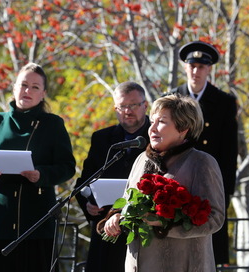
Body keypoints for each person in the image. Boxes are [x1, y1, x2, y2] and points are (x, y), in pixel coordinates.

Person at [0, 62, 76, 272]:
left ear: (43, 94)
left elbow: (67, 167)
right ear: (14, 87)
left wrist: (40, 175)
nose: (27, 91)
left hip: (37, 221)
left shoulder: (53, 124)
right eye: (23, 84)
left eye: (35, 87)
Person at [104, 94, 225, 272]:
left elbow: (214, 218)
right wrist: (116, 217)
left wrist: (162, 221)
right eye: (151, 121)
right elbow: (126, 202)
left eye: (161, 121)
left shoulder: (201, 162)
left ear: (183, 128)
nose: (152, 128)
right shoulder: (141, 159)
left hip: (183, 265)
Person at [170, 40, 238, 265]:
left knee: (209, 249)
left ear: (209, 69)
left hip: (209, 179)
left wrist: (225, 191)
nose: (196, 71)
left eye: (201, 67)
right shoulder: (172, 98)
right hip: (177, 179)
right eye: (192, 66)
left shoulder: (224, 102)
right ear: (185, 67)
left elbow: (229, 152)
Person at [75, 81, 150, 272]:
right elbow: (84, 181)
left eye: (133, 105)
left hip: (144, 230)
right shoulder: (101, 138)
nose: (127, 111)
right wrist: (89, 204)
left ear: (145, 105)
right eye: (122, 106)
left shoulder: (157, 136)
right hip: (107, 230)